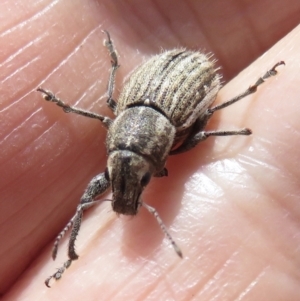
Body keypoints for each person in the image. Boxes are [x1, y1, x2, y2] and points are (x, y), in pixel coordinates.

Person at [1, 1, 299, 300]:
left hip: (191, 77)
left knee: (205, 120)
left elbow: (205, 123)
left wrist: (251, 91)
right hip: (153, 94)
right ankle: (70, 256)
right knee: (86, 194)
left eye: (141, 181)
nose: (126, 192)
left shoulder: (177, 126)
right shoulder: (120, 135)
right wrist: (66, 106)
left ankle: (253, 87)